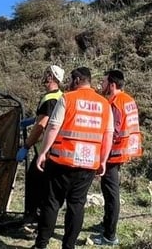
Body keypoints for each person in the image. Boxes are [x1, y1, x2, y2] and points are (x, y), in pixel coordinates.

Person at [33, 67, 113, 249]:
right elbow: (108, 135)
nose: (68, 84)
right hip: (88, 164)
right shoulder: (104, 104)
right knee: (77, 205)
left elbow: (53, 127)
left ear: (77, 81)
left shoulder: (67, 98)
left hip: (61, 161)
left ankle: (41, 244)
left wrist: (43, 152)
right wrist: (102, 160)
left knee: (51, 203)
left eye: (70, 80)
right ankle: (68, 247)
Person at [91, 69, 143, 246]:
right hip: (124, 151)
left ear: (112, 85)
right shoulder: (128, 99)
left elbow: (113, 131)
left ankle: (109, 235)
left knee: (111, 194)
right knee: (111, 192)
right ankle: (106, 223)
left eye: (104, 82)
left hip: (113, 153)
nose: (102, 85)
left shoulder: (114, 103)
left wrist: (102, 156)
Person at [20, 65, 65, 227]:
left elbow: (42, 125)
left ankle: (35, 218)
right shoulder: (59, 96)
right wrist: (33, 119)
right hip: (53, 149)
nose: (44, 76)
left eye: (47, 74)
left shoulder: (50, 98)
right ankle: (39, 218)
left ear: (52, 77)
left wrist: (26, 145)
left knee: (36, 183)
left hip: (46, 151)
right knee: (44, 186)